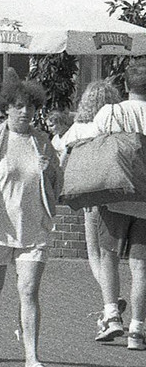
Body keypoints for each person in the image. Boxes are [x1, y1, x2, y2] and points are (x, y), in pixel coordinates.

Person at [0, 80, 60, 367]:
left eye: (30, 106)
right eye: (18, 106)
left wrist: (49, 168)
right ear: (7, 108)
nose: (25, 112)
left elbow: (55, 185)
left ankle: (32, 356)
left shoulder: (41, 141)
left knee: (28, 290)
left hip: (33, 227)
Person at [58, 80, 123, 340]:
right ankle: (112, 302)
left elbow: (62, 161)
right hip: (116, 195)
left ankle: (112, 302)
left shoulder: (79, 128)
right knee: (113, 255)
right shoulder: (114, 124)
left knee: (95, 254)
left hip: (89, 197)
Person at [91, 59, 146, 351]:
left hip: (114, 195)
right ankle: (138, 330)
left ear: (125, 86)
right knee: (141, 266)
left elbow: (96, 146)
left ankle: (112, 314)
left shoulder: (111, 112)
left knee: (108, 255)